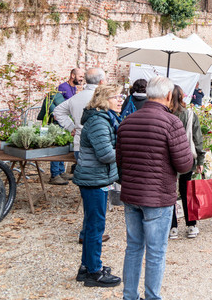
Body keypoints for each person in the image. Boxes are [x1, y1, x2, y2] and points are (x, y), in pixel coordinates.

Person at [116, 76, 194, 300]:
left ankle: (130, 295)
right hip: (158, 196)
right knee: (156, 252)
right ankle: (152, 296)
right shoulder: (171, 122)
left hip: (132, 193)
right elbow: (184, 163)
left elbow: (119, 159)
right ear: (169, 96)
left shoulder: (128, 121)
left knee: (133, 248)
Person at [73, 84, 123, 287]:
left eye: (121, 96)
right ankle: (94, 272)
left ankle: (86, 267)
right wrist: (126, 151)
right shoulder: (99, 122)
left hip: (97, 179)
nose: (120, 100)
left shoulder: (105, 119)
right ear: (104, 100)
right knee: (95, 228)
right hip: (94, 180)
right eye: (116, 96)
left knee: (92, 225)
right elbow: (105, 155)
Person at [53, 68, 106, 187]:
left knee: (87, 183)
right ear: (102, 82)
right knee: (97, 184)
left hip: (80, 144)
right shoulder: (103, 98)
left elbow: (57, 111)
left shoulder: (77, 97)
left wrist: (71, 127)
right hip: (99, 145)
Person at [169, 85, 204, 240]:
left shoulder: (164, 114)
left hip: (167, 158)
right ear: (182, 96)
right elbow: (198, 138)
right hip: (186, 157)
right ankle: (191, 225)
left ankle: (172, 227)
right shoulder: (189, 114)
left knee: (169, 193)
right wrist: (200, 160)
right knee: (187, 192)